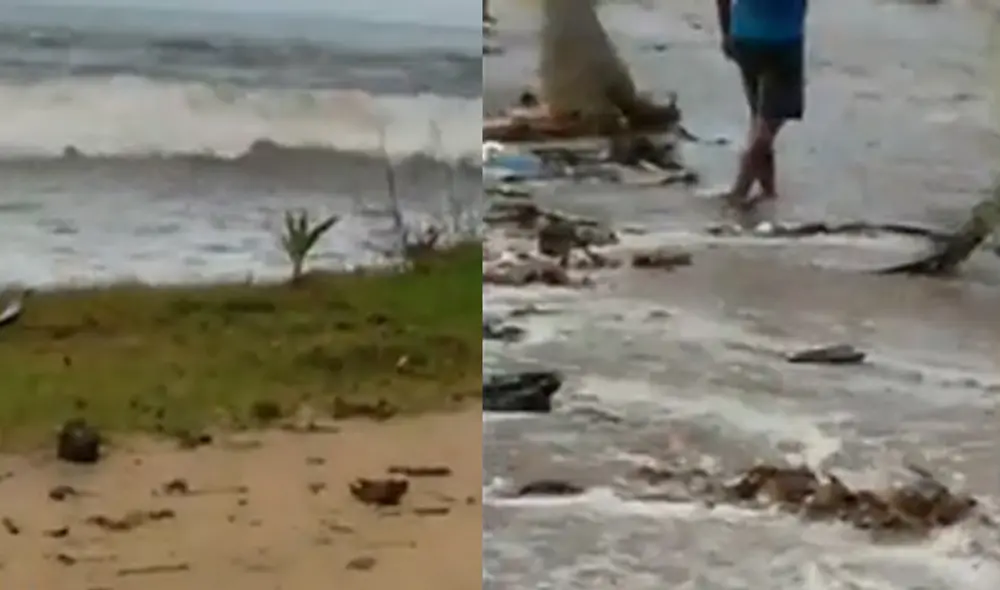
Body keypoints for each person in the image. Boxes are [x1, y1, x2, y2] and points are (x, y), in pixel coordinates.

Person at [716, 0, 808, 208]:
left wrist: (725, 31)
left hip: (744, 36)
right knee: (770, 122)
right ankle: (739, 190)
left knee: (760, 118)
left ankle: (769, 192)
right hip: (783, 41)